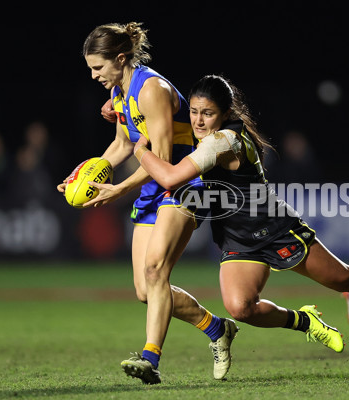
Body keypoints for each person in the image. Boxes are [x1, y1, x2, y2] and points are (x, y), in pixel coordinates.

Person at [122, 74, 349, 358]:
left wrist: (139, 149)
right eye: (194, 111)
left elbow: (171, 177)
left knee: (347, 280)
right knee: (241, 308)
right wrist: (121, 112)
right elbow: (164, 120)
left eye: (208, 113)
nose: (199, 121)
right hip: (237, 237)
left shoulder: (223, 141)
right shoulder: (202, 133)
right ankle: (304, 321)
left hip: (272, 228)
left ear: (226, 114)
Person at [57, 22, 238, 384]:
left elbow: (163, 158)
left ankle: (150, 359)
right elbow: (124, 144)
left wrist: (120, 188)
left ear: (120, 58)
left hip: (186, 184)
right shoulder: (121, 93)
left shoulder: (151, 89)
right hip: (154, 187)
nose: (94, 76)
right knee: (145, 289)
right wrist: (86, 177)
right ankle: (216, 328)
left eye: (98, 68)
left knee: (157, 272)